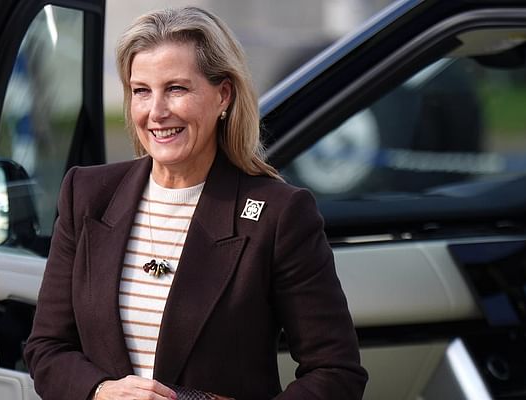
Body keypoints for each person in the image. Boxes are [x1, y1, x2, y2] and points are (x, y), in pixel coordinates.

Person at [24, 6, 367, 399]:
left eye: (176, 89)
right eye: (141, 91)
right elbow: (46, 348)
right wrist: (100, 391)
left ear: (223, 94)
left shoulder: (280, 214)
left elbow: (337, 374)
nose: (156, 112)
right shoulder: (85, 194)